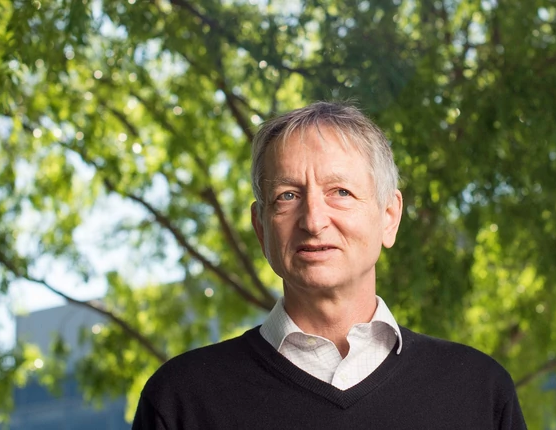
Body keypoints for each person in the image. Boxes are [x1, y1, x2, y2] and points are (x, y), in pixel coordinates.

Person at [132, 101, 526, 429]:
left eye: (340, 192)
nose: (313, 219)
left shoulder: (479, 392)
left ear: (389, 216)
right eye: (287, 195)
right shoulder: (181, 400)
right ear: (260, 226)